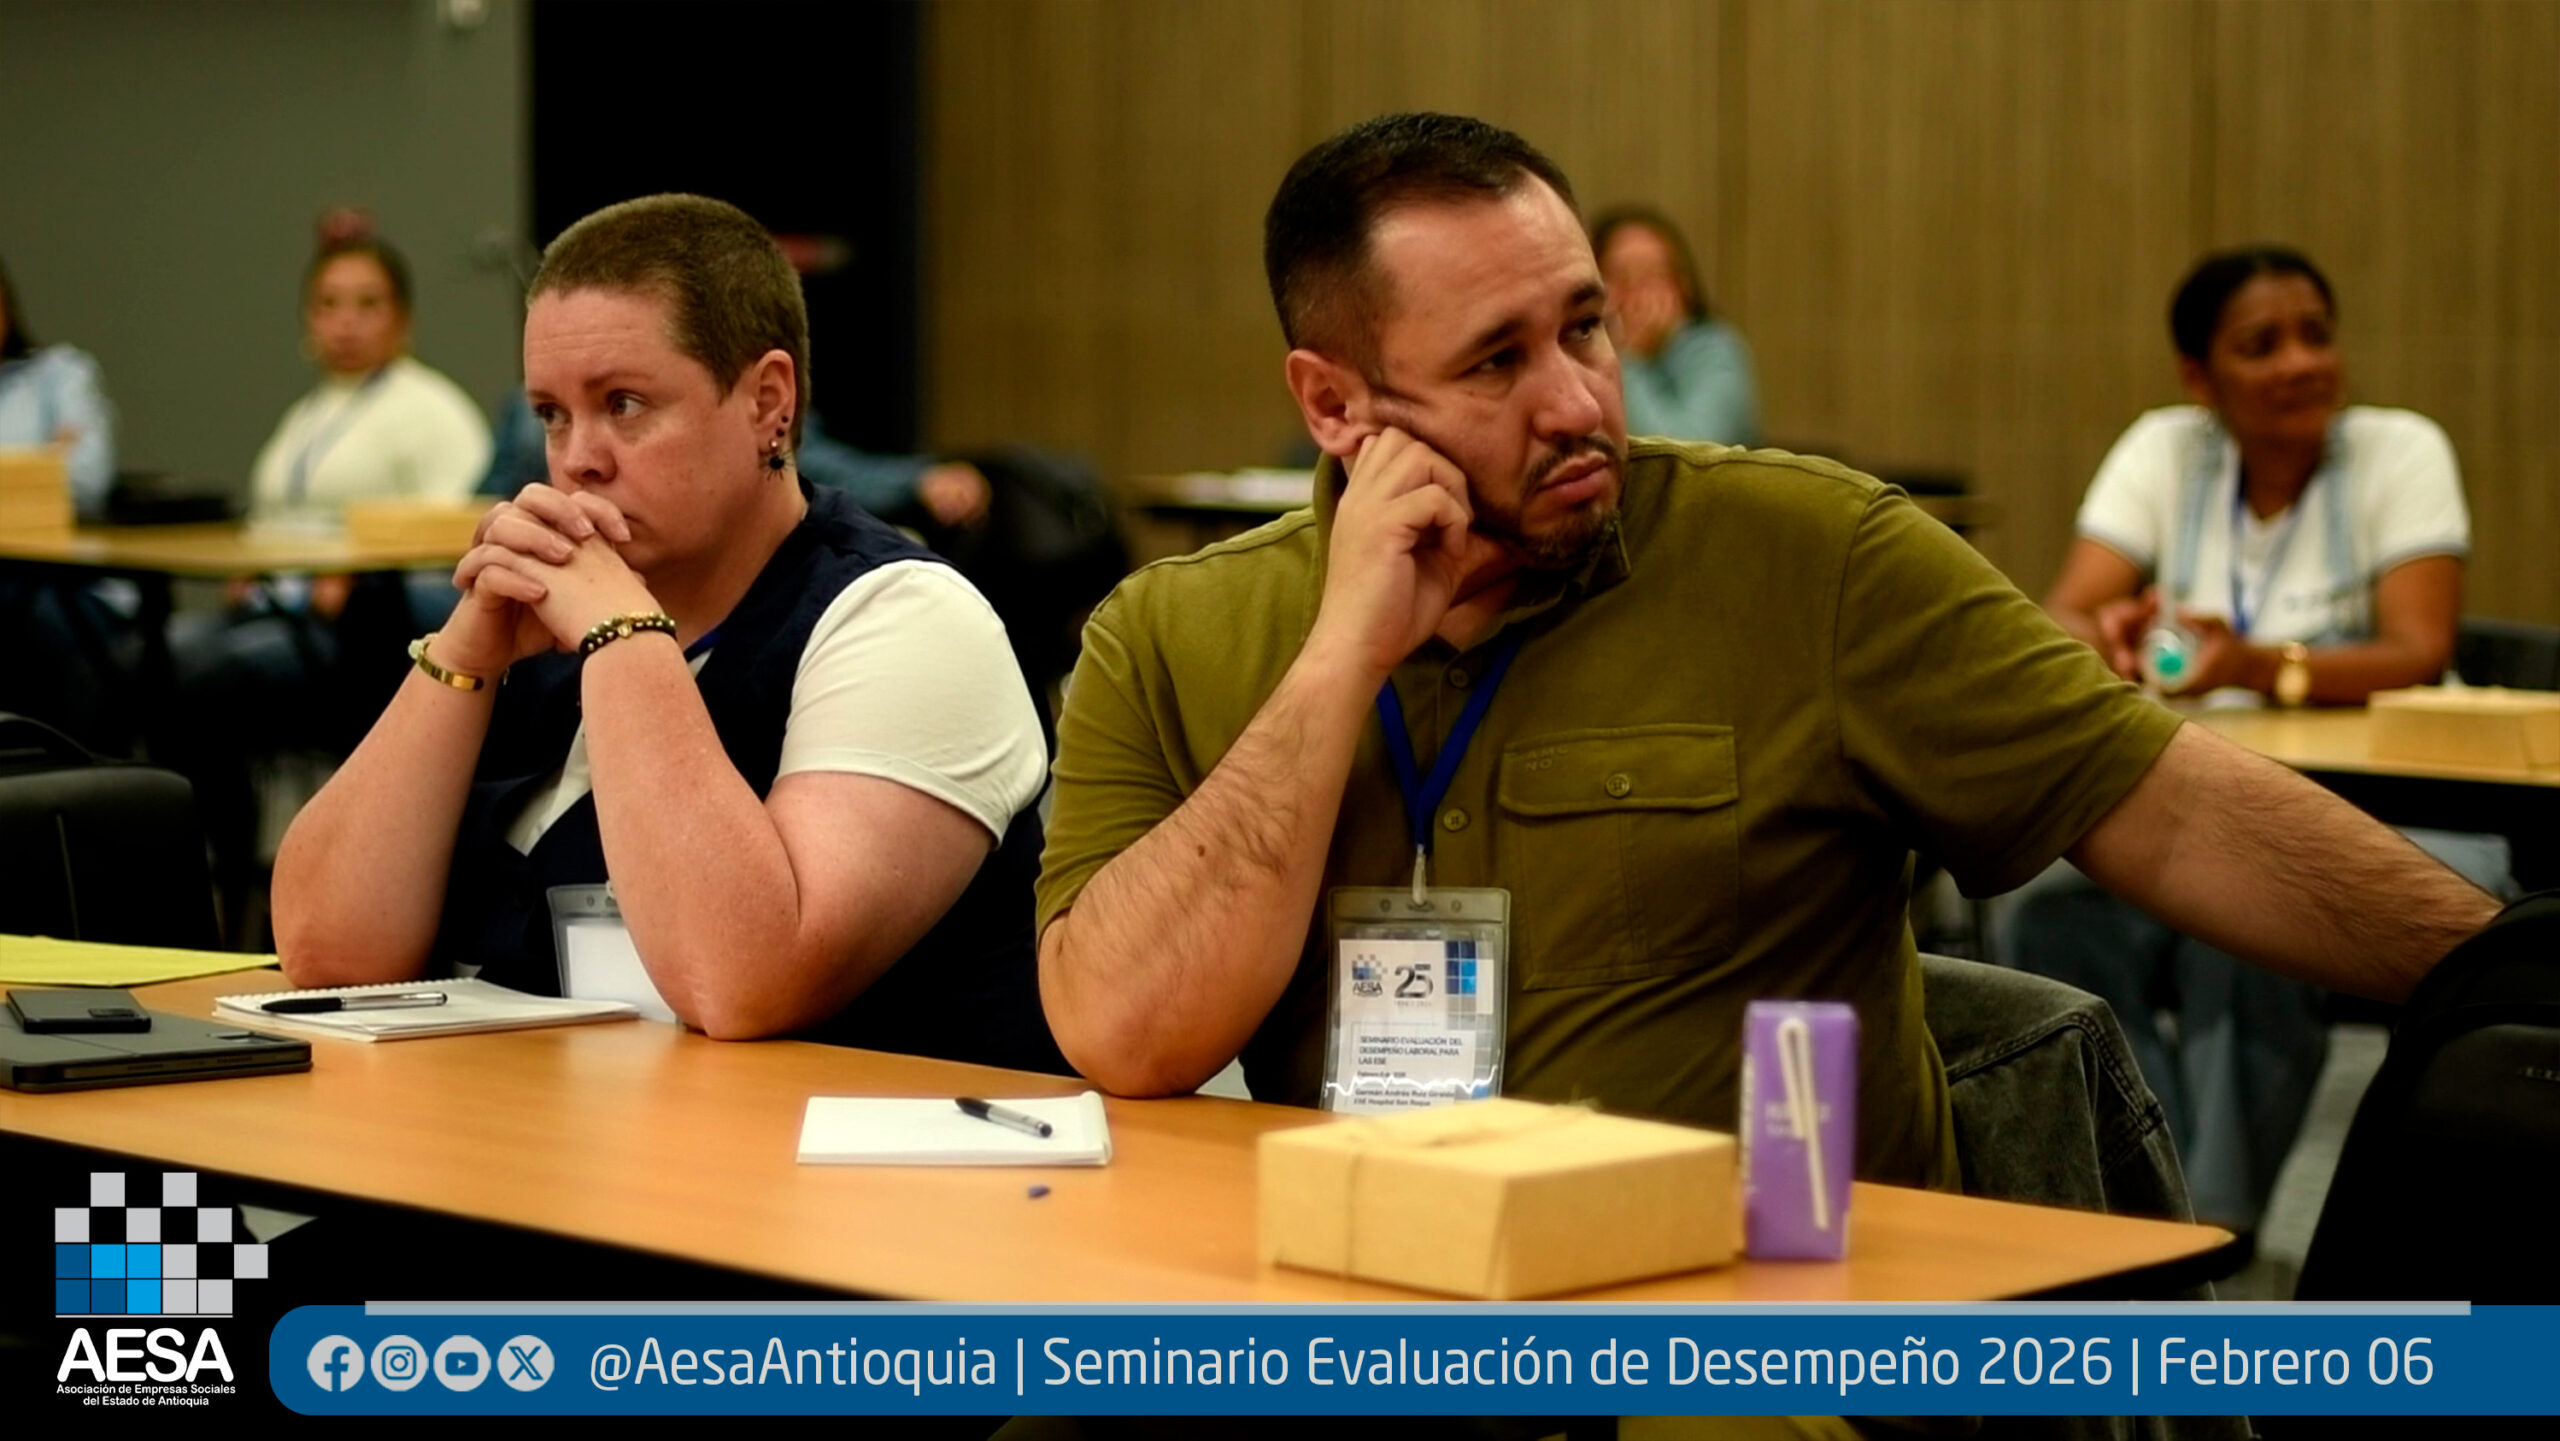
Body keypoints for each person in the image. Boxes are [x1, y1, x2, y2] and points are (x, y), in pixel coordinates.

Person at [1032, 113, 2495, 1196]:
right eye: (1495, 361)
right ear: (1332, 404)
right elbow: (1125, 1033)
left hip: (1742, 1335)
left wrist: (2512, 977)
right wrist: (1338, 660)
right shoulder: (1171, 633)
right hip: (1361, 1308)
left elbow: (2171, 813)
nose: (1578, 403)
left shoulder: (1814, 555)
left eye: (1586, 328)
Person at [269, 194, 1063, 1069]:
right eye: (552, 414)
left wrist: (625, 636)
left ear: (768, 403)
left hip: (824, 1154)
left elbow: (743, 980)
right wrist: (462, 656)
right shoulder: (533, 628)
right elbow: (324, 954)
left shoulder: (908, 620)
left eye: (624, 403)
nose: (578, 458)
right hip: (509, 1130)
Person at [2010, 244, 2501, 1228]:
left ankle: (2206, 1229)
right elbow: (2060, 610)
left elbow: (2418, 645)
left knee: (2248, 919)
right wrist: (2107, 633)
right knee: (2048, 909)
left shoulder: (2400, 450)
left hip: (2391, 813)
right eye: (2261, 344)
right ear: (2200, 378)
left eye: (2316, 335)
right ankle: (2142, 1198)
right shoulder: (2165, 450)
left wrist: (2256, 664)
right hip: (2204, 805)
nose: (2300, 362)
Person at [168, 233, 495, 936]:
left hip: (367, 629)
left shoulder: (432, 411)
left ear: (403, 318)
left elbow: (460, 534)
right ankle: (203, 872)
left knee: (199, 673)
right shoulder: (311, 411)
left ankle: (227, 883)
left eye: (368, 304)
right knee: (153, 653)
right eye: (329, 304)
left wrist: (358, 571)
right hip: (279, 605)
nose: (347, 322)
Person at [0, 254, 128, 748]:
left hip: (71, 584)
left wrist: (45, 475)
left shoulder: (58, 374)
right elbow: (51, 475)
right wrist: (42, 460)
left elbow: (86, 477)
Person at [1590, 205, 1757, 445]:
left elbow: (1688, 453)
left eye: (1653, 276)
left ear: (1683, 287)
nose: (1637, 295)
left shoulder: (1717, 351)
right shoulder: (1581, 352)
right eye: (1620, 277)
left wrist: (1632, 359)